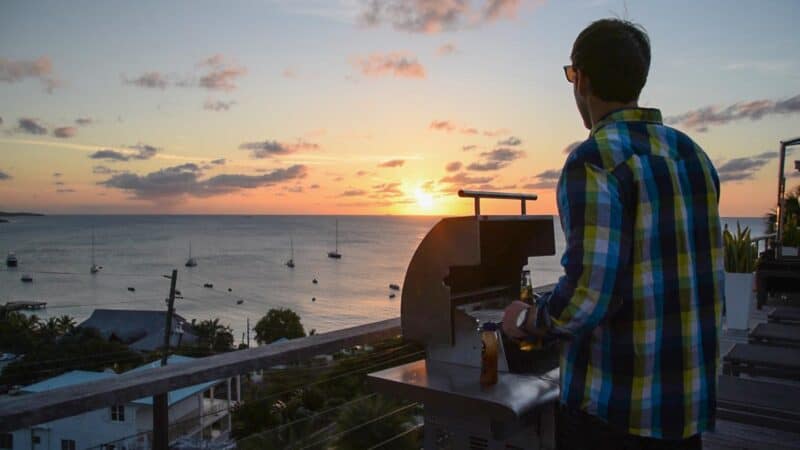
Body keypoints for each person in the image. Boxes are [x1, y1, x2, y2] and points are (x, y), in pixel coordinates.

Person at [502, 18, 724, 449]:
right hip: (684, 409)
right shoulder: (692, 155)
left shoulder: (594, 161)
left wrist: (526, 320)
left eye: (571, 75)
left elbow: (587, 295)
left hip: (616, 414)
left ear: (580, 79)